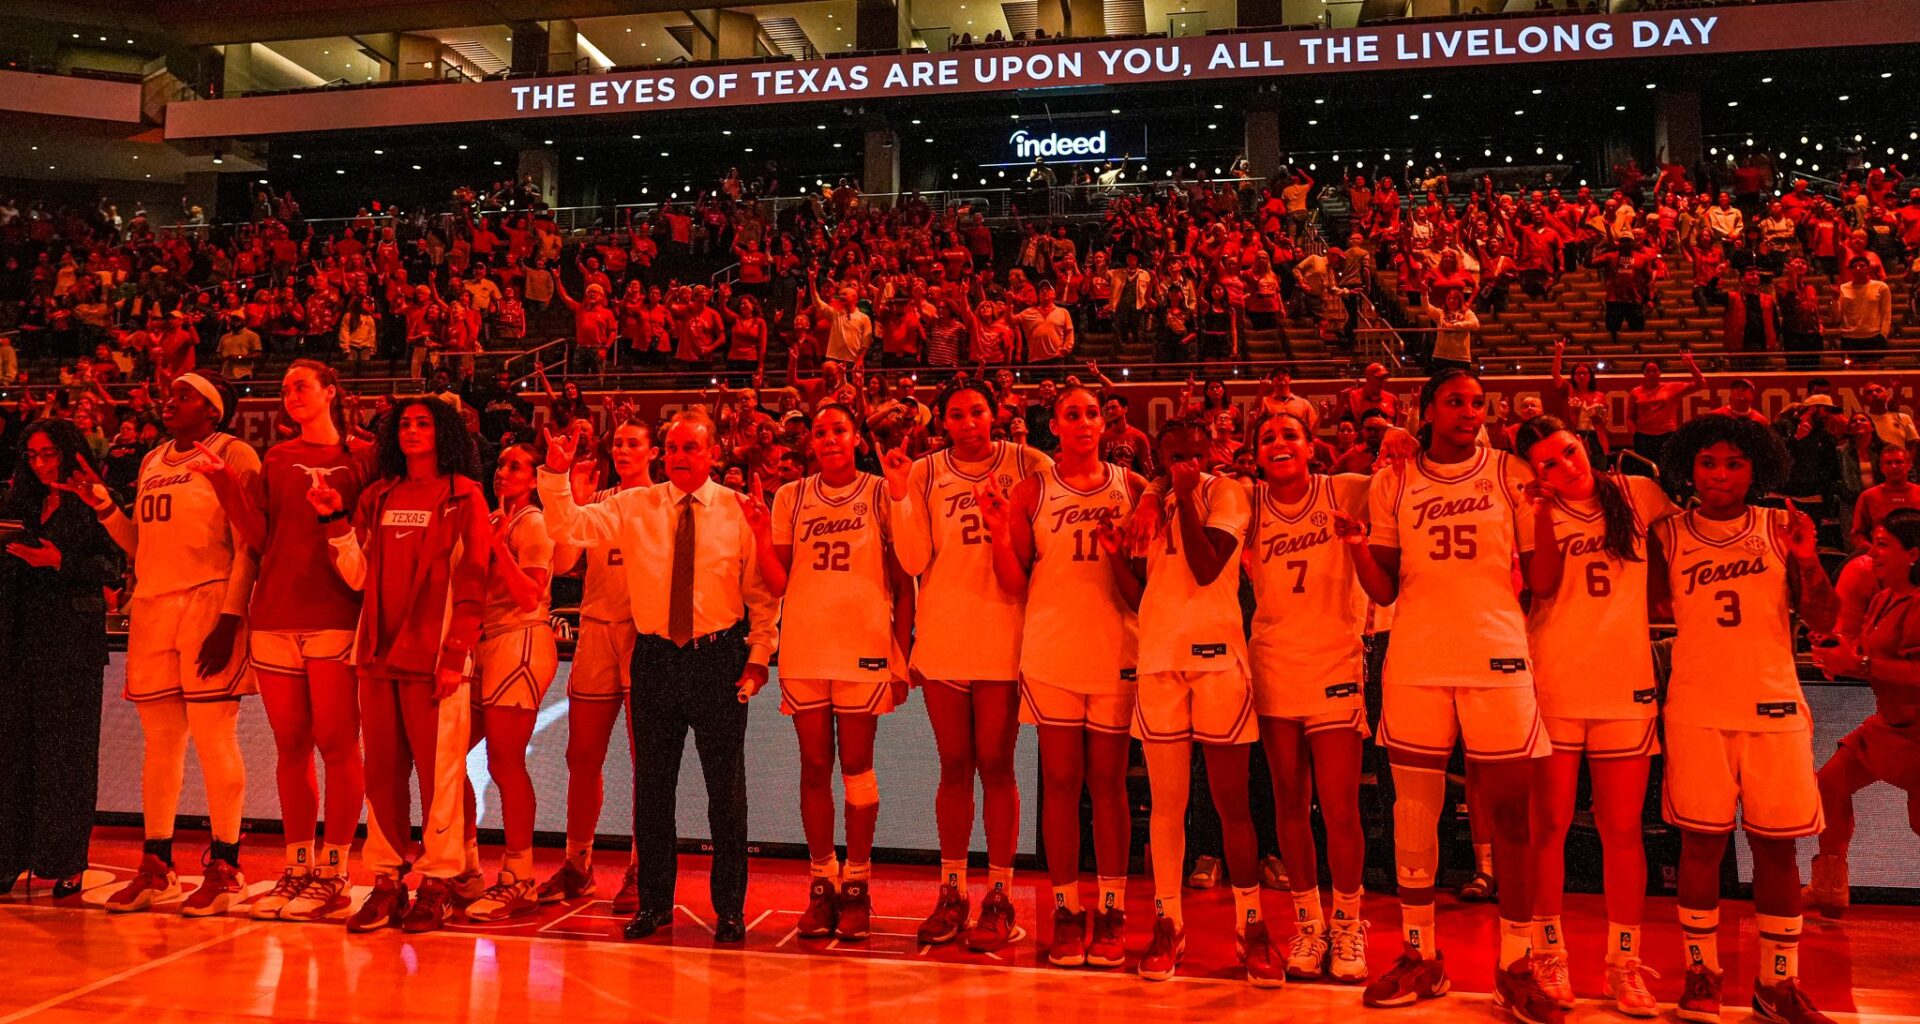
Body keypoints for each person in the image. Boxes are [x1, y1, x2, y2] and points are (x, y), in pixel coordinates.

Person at [1352, 369, 1562, 1023]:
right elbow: (1384, 590)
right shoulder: (1395, 477)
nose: (1468, 411)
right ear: (1428, 408)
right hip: (1414, 654)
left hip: (1496, 652)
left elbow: (1546, 580)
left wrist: (1549, 509)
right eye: (1454, 401)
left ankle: (1517, 964)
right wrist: (1357, 548)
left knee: (1511, 818)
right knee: (1413, 815)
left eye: (1477, 403)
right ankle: (1420, 956)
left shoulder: (1510, 473)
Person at [537, 410, 779, 945]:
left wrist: (759, 656)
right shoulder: (632, 505)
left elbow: (760, 593)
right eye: (671, 448)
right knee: (652, 790)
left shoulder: (739, 512)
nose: (679, 456)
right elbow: (568, 527)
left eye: (690, 447)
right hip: (654, 658)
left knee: (727, 793)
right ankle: (653, 904)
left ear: (714, 454)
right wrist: (555, 479)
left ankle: (729, 910)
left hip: (718, 660)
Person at [1649, 414, 1839, 1024]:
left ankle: (1777, 984)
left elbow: (1824, 617)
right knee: (1700, 845)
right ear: (1689, 469)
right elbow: (1649, 610)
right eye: (1708, 463)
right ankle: (1701, 974)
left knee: (1776, 849)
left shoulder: (1781, 527)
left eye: (1734, 463)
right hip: (1698, 706)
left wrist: (1809, 562)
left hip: (1774, 703)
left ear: (1757, 467)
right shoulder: (1668, 536)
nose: (1721, 474)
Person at [193, 360, 379, 922]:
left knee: (338, 743)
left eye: (302, 386)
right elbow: (259, 539)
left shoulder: (363, 455)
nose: (291, 395)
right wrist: (224, 482)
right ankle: (297, 868)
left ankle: (336, 873)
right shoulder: (274, 458)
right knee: (290, 746)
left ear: (330, 392)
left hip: (336, 615)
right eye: (285, 389)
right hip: (272, 616)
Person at [1512, 415, 1678, 1017]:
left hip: (1626, 684)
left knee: (1622, 830)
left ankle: (1623, 964)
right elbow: (1544, 585)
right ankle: (1547, 953)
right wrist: (1539, 511)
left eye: (1569, 452)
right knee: (1548, 826)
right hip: (1554, 680)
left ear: (1587, 445)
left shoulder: (1639, 493)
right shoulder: (1534, 509)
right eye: (1548, 463)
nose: (1565, 466)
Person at [78, 373, 258, 917]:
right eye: (171, 394)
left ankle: (227, 865)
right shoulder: (153, 458)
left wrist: (231, 616)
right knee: (161, 745)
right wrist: (107, 507)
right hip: (153, 605)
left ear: (212, 409)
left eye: (183, 396)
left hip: (209, 602)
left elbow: (249, 539)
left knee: (214, 737)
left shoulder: (235, 453)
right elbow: (141, 546)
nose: (169, 401)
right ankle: (157, 865)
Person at [880, 377, 1051, 952]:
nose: (969, 422)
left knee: (997, 765)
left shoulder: (1029, 461)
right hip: (946, 631)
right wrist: (901, 494)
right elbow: (913, 559)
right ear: (943, 421)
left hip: (1006, 630)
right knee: (953, 764)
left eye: (977, 411)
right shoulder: (927, 471)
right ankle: (951, 891)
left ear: (994, 413)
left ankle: (999, 896)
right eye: (957, 415)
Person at [312, 396, 491, 933]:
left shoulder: (466, 497)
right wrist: (333, 519)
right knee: (382, 773)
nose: (413, 431)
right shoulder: (378, 495)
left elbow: (475, 579)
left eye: (424, 424)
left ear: (445, 434)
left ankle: (440, 881)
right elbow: (359, 575)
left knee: (441, 776)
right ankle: (388, 881)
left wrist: (457, 652)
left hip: (437, 657)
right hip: (376, 656)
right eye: (405, 424)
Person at [982, 385, 1141, 968]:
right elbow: (1014, 581)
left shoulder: (1133, 488)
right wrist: (999, 530)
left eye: (1091, 414)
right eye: (1071, 414)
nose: (1082, 422)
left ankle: (1112, 909)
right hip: (1050, 649)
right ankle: (1067, 910)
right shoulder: (1032, 490)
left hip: (1116, 646)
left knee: (1109, 784)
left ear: (1104, 424)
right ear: (1055, 425)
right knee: (1061, 783)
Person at [1117, 417, 1262, 983]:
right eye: (1173, 456)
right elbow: (1139, 593)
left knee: (1232, 804)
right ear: (1157, 457)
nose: (1185, 464)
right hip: (1158, 657)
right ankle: (1167, 923)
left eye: (1194, 454)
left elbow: (1206, 569)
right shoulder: (1149, 503)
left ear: (1211, 453)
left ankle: (1251, 926)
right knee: (1165, 804)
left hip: (1219, 658)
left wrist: (1176, 493)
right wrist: (1120, 547)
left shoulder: (1228, 491)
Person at [768, 404, 915, 943]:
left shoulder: (880, 492)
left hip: (864, 646)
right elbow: (777, 579)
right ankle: (821, 882)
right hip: (804, 645)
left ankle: (858, 885)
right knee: (812, 766)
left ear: (856, 439)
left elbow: (904, 584)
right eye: (820, 432)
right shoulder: (790, 496)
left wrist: (900, 657)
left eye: (838, 431)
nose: (829, 439)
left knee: (856, 766)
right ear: (810, 442)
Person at [1243, 413, 1373, 983]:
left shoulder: (1343, 488)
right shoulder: (1246, 502)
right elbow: (1179, 483)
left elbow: (1405, 469)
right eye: (1268, 437)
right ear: (1255, 453)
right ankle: (1310, 925)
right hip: (1272, 659)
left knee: (1340, 807)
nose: (1279, 443)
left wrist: (1395, 437)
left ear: (1310, 445)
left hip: (1334, 658)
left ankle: (1349, 926)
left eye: (1289, 434)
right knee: (1289, 804)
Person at [0, 420, 122, 898]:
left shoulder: (94, 500)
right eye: (31, 455)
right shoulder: (17, 501)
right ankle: (8, 858)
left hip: (70, 641)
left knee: (66, 755)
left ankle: (65, 860)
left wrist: (58, 562)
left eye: (48, 453)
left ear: (69, 453)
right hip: (15, 639)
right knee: (12, 755)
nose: (40, 463)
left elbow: (114, 564)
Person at [537, 418, 655, 913]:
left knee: (646, 762)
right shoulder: (599, 500)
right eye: (619, 443)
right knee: (581, 756)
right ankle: (577, 865)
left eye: (634, 442)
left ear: (652, 452)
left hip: (643, 633)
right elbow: (563, 563)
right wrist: (575, 497)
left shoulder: (664, 500)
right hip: (595, 629)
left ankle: (643, 867)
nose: (625, 449)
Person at [459, 443, 557, 921]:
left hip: (521, 639)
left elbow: (529, 595)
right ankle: (465, 866)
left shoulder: (533, 522)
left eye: (515, 466)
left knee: (505, 761)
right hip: (485, 641)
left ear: (535, 478)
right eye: (499, 463)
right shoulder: (496, 518)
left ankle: (520, 877)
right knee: (447, 754)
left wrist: (495, 546)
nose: (503, 471)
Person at [1806, 508, 1920, 920]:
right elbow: (1856, 647)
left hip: (1916, 734)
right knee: (1830, 783)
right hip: (1890, 727)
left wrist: (1860, 666)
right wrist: (1835, 649)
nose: (1872, 552)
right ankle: (1831, 886)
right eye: (1872, 542)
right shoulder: (1885, 598)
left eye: (1884, 545)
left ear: (1914, 554)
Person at [1626, 354, 1705, 469]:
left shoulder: (1671, 388)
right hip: (1643, 438)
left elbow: (1701, 384)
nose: (1651, 374)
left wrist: (1691, 365)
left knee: (1667, 468)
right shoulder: (1635, 392)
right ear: (1643, 373)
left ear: (1660, 372)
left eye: (1654, 370)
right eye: (1648, 371)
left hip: (1666, 436)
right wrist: (1634, 434)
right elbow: (1630, 417)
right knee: (1645, 470)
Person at [1851, 446, 1918, 552]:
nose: (1894, 466)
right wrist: (1872, 550)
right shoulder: (1868, 496)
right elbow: (1857, 534)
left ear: (1909, 465)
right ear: (1881, 468)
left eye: (1899, 462)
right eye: (1889, 463)